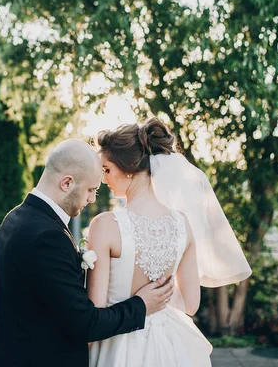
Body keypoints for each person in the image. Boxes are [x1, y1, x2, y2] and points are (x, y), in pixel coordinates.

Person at [0, 139, 174, 367]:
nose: (92, 199)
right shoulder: (47, 236)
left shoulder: (16, 218)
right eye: (91, 190)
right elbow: (85, 323)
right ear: (67, 183)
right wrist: (141, 305)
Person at [88, 118, 252, 367]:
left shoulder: (105, 226)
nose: (103, 179)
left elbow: (94, 316)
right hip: (170, 347)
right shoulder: (182, 225)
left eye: (107, 170)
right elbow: (191, 304)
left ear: (128, 168)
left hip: (117, 348)